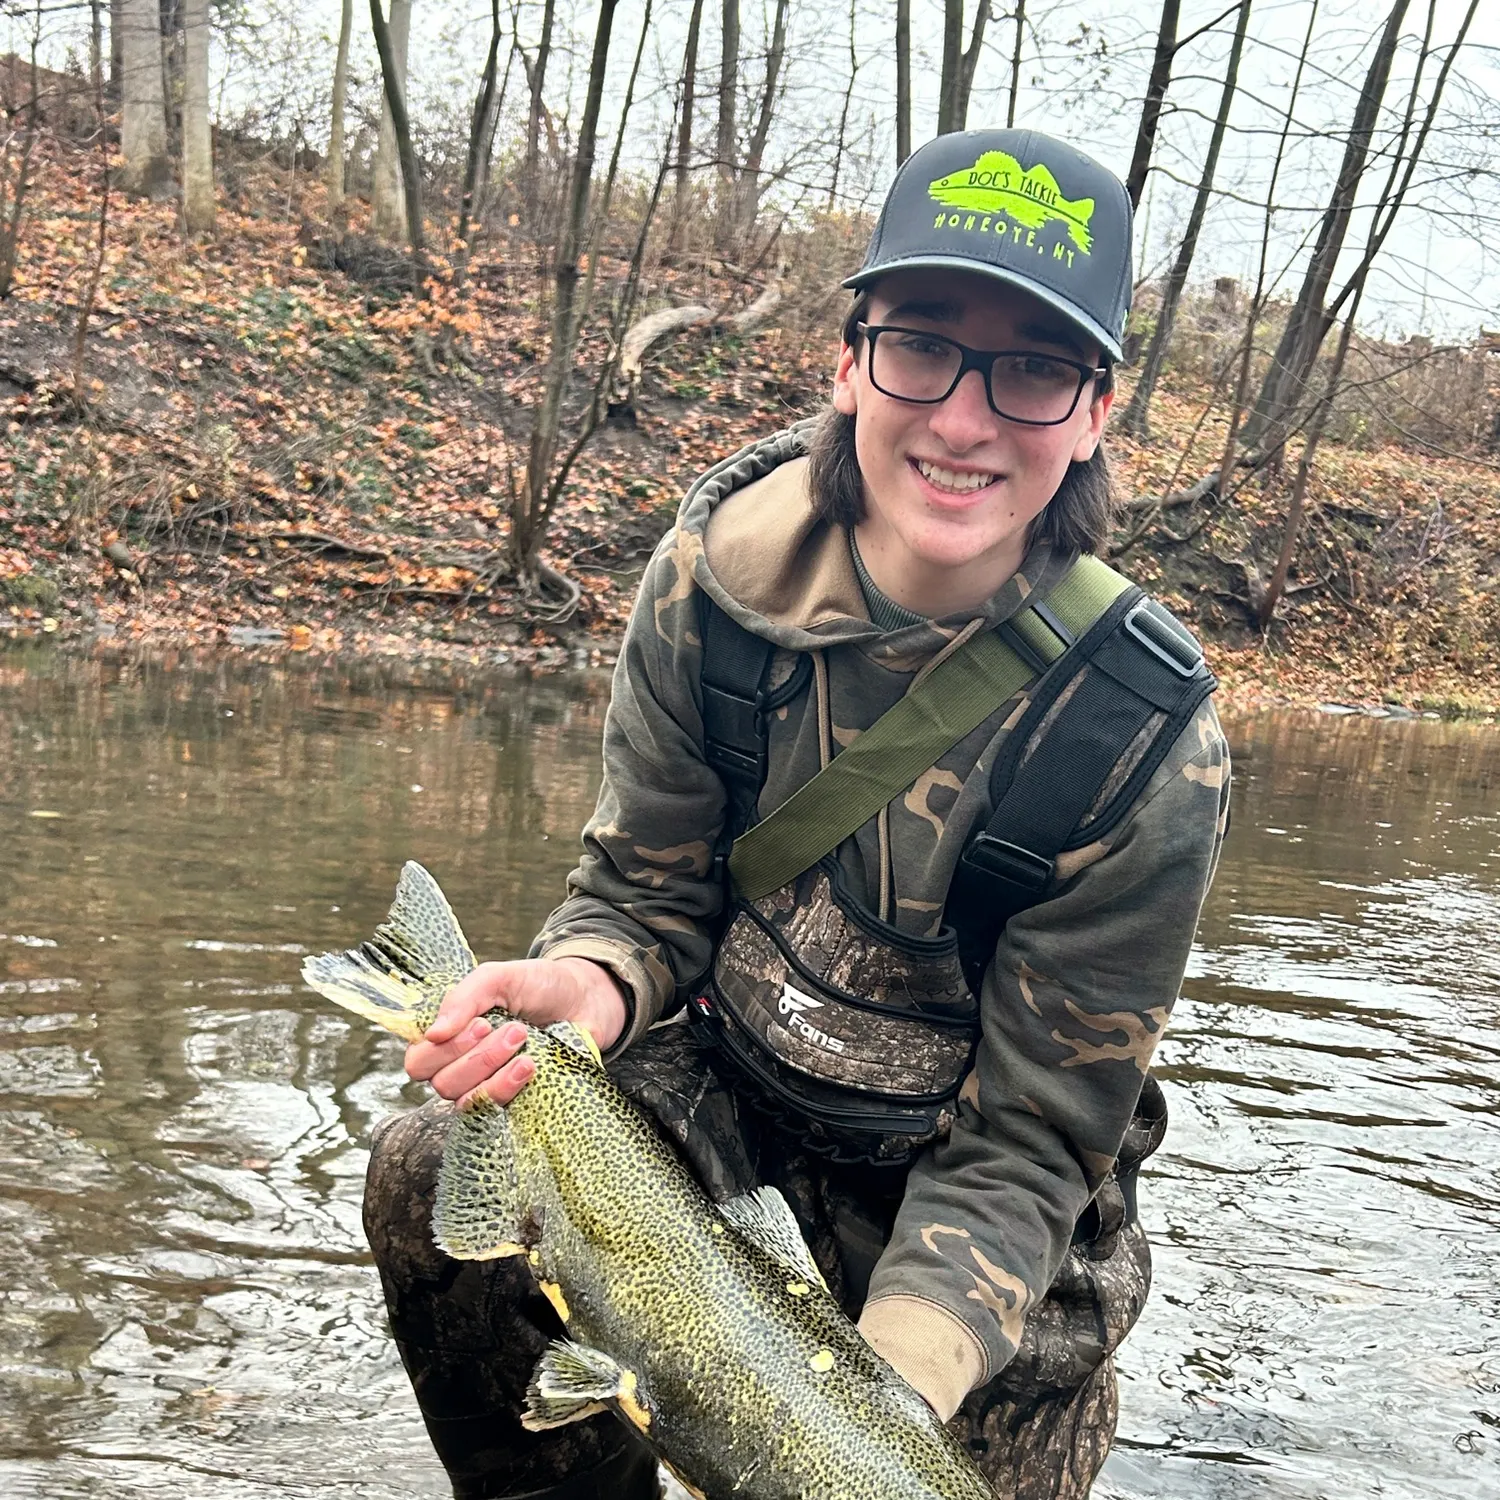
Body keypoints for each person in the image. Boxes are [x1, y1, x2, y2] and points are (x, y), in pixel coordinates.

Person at [364, 128, 1231, 1500]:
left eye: (1033, 369)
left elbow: (1032, 1143)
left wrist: (861, 1422)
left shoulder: (1145, 742)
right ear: (849, 363)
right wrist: (590, 982)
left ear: (1094, 414)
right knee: (430, 1165)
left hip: (972, 1221)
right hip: (731, 1105)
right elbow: (643, 898)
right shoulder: (709, 585)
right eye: (922, 346)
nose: (964, 419)